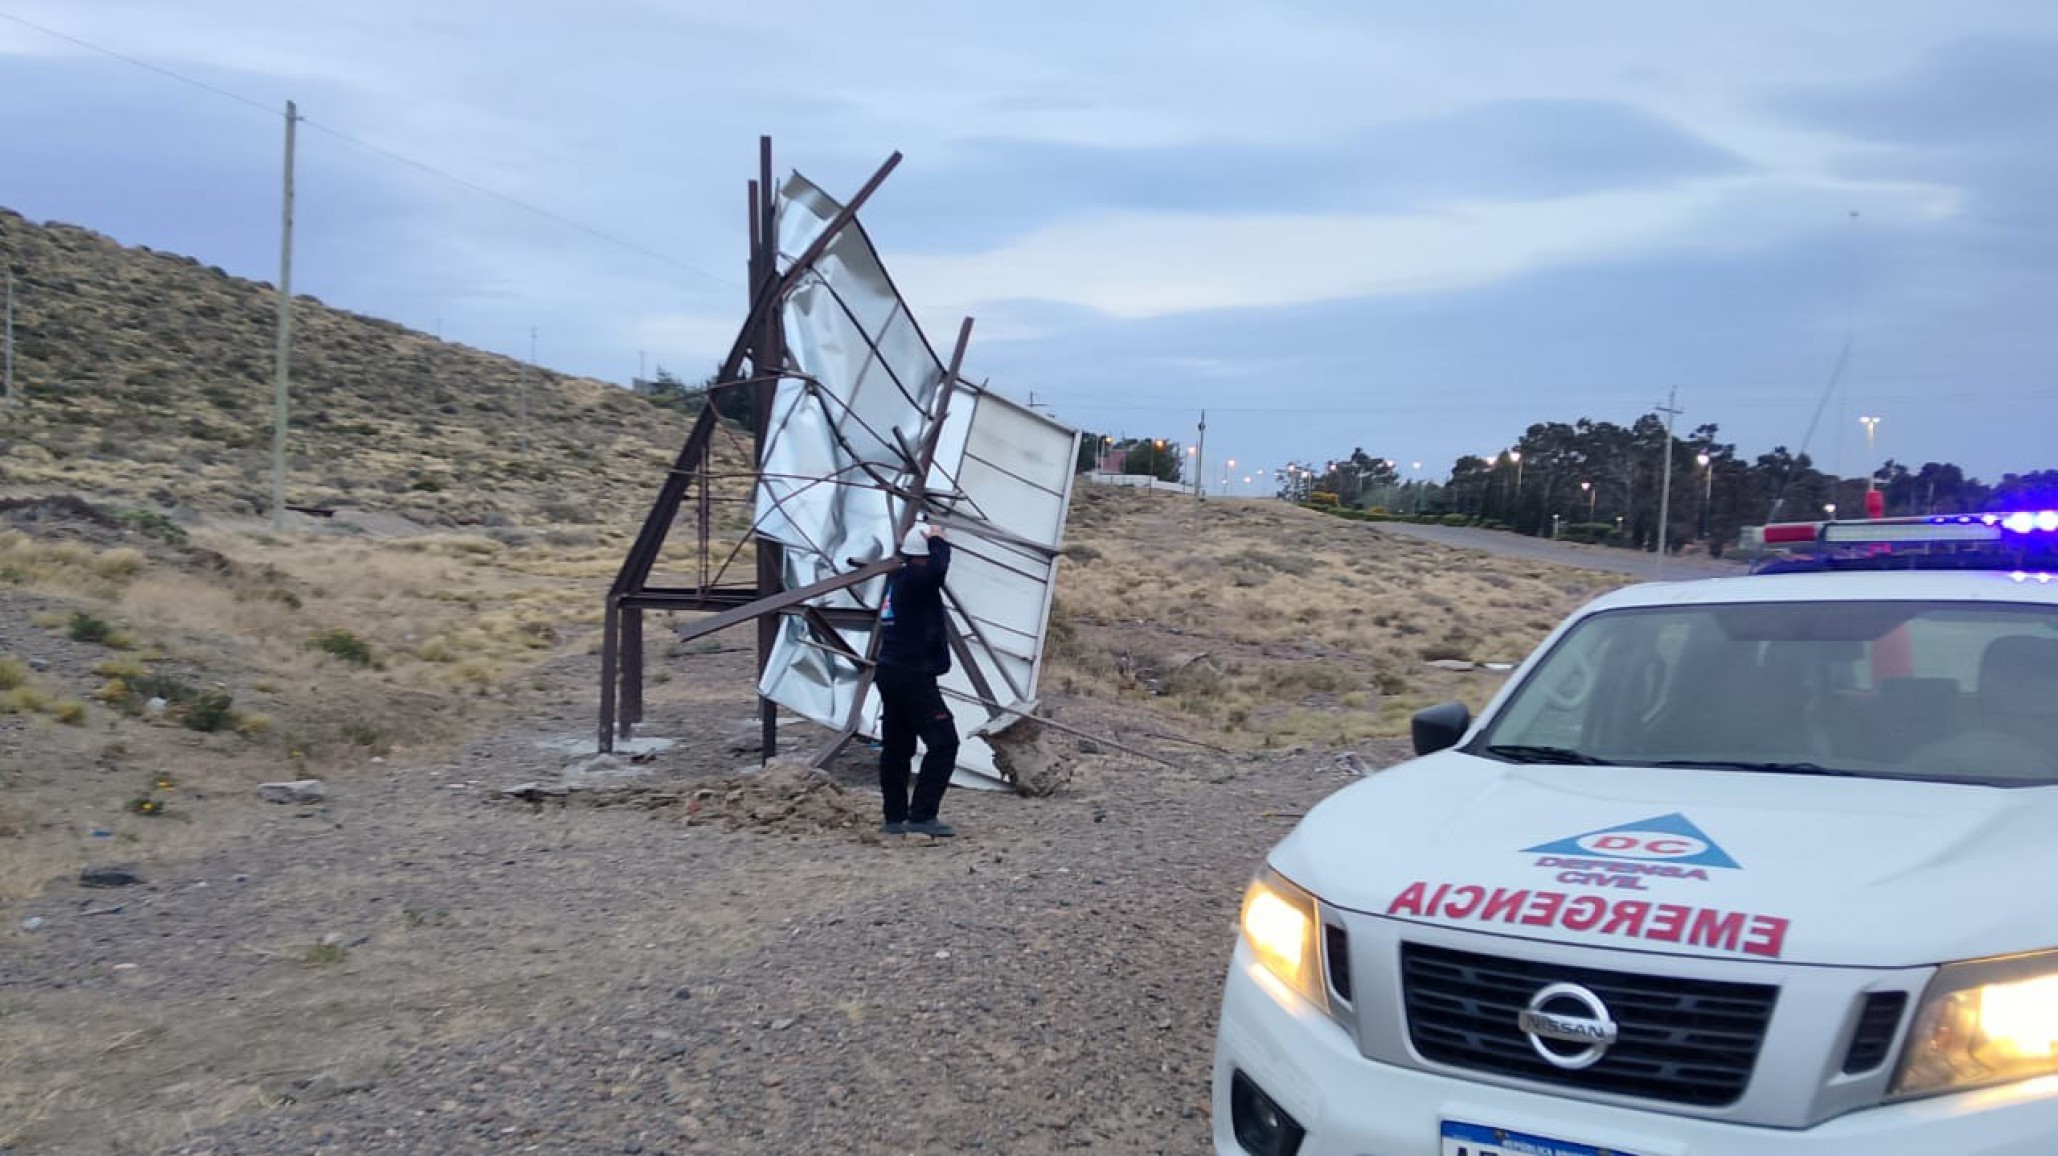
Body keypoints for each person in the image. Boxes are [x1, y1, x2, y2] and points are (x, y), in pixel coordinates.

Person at [874, 522, 959, 838]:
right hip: (911, 676)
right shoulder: (914, 582)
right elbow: (937, 571)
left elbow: (931, 572)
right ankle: (922, 815)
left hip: (892, 672)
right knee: (944, 742)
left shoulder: (899, 582)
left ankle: (894, 817)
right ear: (921, 557)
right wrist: (939, 542)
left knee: (897, 748)